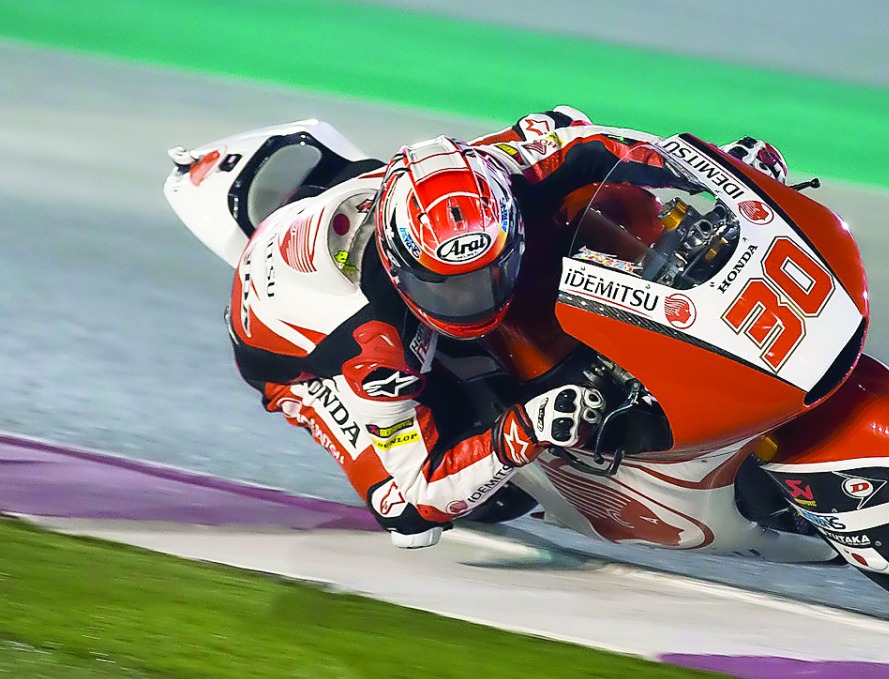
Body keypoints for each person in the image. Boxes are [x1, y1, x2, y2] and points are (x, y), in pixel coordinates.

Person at [227, 107, 789, 548]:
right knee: (408, 514)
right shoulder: (375, 351)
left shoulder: (500, 171)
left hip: (378, 207)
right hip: (295, 354)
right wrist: (523, 430)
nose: (475, 300)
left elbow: (592, 144)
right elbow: (417, 495)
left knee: (597, 190)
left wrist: (718, 171)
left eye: (485, 274)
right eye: (448, 288)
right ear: (402, 272)